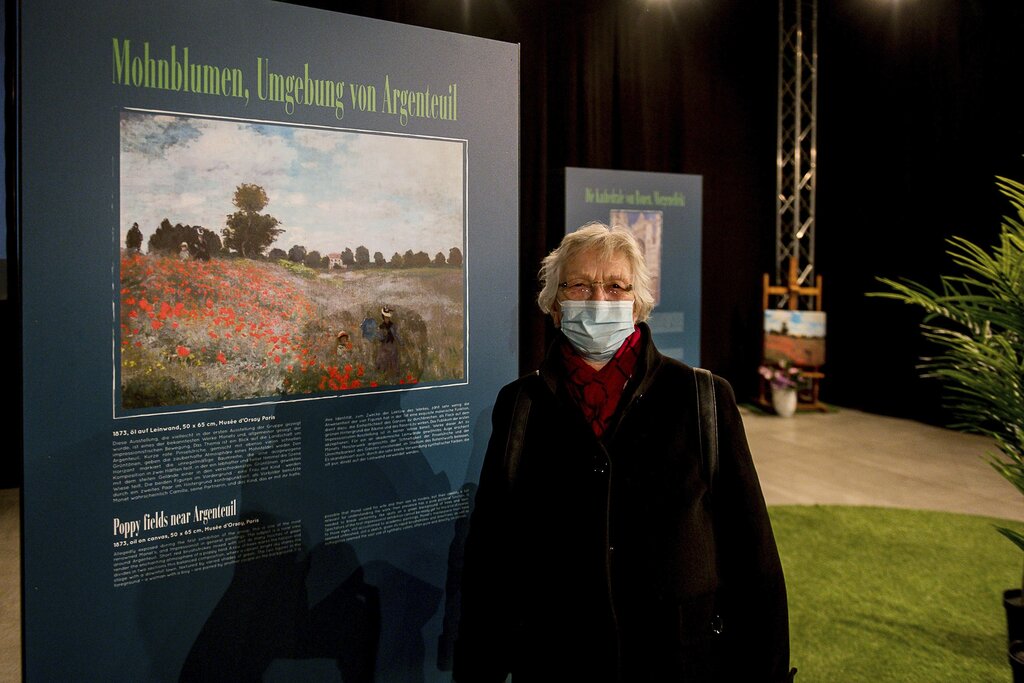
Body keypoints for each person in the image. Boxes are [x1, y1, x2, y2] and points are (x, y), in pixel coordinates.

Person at [453, 222, 794, 682]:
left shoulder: (703, 398)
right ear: (555, 305)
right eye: (580, 285)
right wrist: (480, 666)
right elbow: (494, 549)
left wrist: (767, 672)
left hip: (680, 661)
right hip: (558, 659)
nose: (598, 300)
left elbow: (753, 554)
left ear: (637, 303)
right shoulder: (520, 405)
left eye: (616, 286)